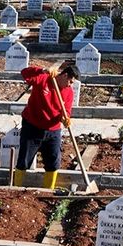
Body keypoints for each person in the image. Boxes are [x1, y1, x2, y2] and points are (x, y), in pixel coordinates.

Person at [14, 61, 79, 189]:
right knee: (24, 160)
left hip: (53, 130)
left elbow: (66, 110)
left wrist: (65, 118)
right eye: (70, 81)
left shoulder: (68, 92)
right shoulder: (44, 79)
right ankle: (16, 188)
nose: (70, 85)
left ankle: (48, 190)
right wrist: (42, 70)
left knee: (53, 162)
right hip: (32, 126)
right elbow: (25, 73)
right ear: (64, 75)